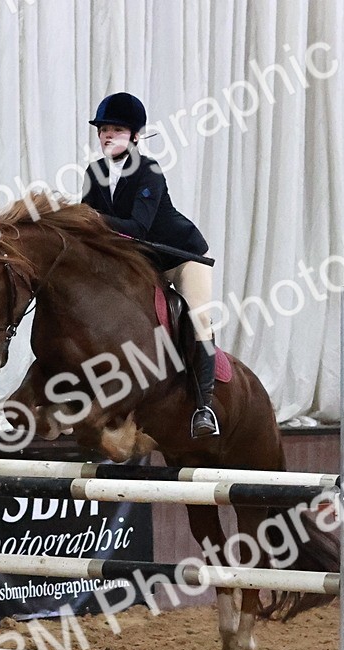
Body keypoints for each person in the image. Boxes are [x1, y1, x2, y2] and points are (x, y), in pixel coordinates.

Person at [80, 92, 220, 438]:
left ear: (135, 136)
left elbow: (137, 227)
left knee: (199, 319)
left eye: (116, 130)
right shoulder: (94, 172)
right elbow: (87, 228)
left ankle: (203, 407)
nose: (107, 136)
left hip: (179, 256)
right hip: (139, 260)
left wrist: (89, 218)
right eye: (103, 130)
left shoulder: (149, 171)